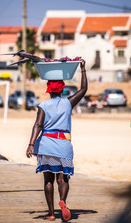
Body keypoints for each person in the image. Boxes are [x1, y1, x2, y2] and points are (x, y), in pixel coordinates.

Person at [26, 59, 87, 221]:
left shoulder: (43, 105)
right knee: (63, 177)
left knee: (48, 179)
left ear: (49, 90)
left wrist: (31, 144)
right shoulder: (68, 103)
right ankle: (63, 201)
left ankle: (51, 214)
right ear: (61, 90)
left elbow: (38, 125)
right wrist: (83, 69)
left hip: (46, 144)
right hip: (64, 145)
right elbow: (83, 89)